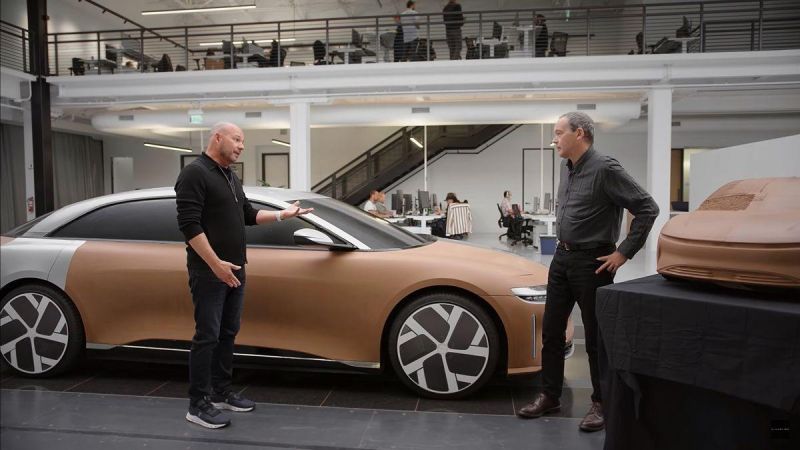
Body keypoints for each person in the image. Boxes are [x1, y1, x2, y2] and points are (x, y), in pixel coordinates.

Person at [516, 112, 658, 432]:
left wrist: (624, 252)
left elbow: (647, 207)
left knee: (595, 338)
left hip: (592, 262)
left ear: (579, 134)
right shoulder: (568, 168)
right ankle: (550, 396)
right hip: (561, 258)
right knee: (551, 332)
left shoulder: (606, 168)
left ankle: (602, 403)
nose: (554, 140)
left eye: (558, 133)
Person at [176, 122, 313, 429]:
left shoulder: (229, 175)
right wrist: (215, 265)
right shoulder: (194, 173)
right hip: (210, 271)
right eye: (236, 139)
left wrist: (283, 214)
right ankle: (197, 405)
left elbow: (248, 215)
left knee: (227, 333)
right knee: (207, 337)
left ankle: (220, 393)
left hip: (236, 268)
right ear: (218, 137)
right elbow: (189, 226)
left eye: (242, 141)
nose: (240, 146)